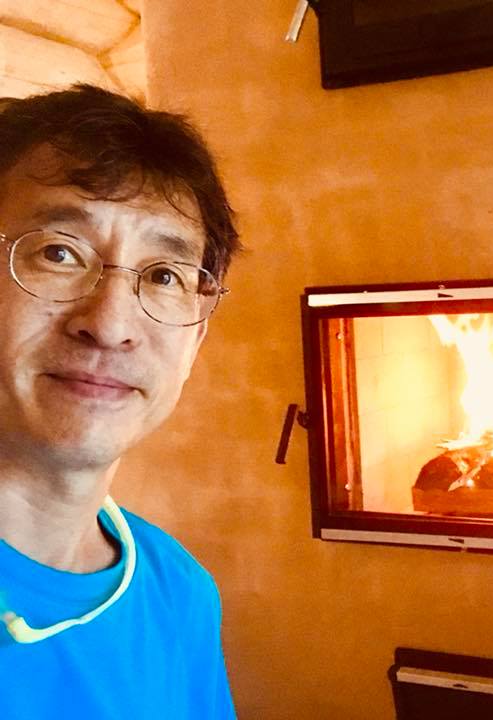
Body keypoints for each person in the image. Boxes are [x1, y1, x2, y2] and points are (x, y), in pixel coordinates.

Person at [0, 84, 240, 718]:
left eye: (163, 275)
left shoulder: (179, 591)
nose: (110, 325)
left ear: (196, 336)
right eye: (58, 253)